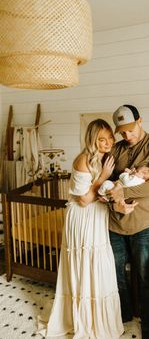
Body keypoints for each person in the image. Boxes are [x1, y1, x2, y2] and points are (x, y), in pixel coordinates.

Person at [37, 119, 124, 339]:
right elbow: (84, 200)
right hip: (82, 218)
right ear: (92, 140)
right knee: (85, 264)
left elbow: (100, 194)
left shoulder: (105, 159)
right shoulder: (83, 160)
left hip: (97, 217)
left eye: (109, 138)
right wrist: (103, 177)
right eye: (101, 139)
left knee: (98, 265)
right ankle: (82, 319)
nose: (107, 143)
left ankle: (99, 319)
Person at [108, 104, 149, 339]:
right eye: (122, 131)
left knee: (145, 277)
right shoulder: (116, 149)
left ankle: (147, 326)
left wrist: (123, 193)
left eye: (130, 129)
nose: (127, 136)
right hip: (115, 224)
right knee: (116, 274)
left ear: (140, 121)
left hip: (144, 224)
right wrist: (114, 200)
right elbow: (107, 183)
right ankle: (124, 316)